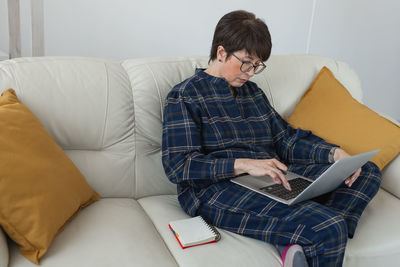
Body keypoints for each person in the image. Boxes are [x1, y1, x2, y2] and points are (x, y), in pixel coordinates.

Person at [162, 10, 381, 267]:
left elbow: (286, 140)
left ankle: (295, 235)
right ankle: (314, 231)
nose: (251, 73)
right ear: (221, 53)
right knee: (329, 226)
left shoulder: (252, 93)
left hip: (271, 178)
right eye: (246, 62)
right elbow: (179, 165)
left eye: (257, 65)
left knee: (364, 171)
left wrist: (333, 154)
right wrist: (244, 164)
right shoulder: (185, 95)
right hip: (215, 190)